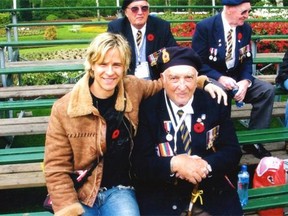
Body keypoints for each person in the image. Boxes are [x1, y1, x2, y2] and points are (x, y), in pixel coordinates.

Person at [44, 32, 227, 216]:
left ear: (124, 67)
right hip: (81, 193)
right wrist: (68, 209)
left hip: (119, 189)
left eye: (116, 65)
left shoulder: (132, 88)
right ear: (91, 65)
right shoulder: (64, 108)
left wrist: (203, 82)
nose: (110, 72)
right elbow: (56, 167)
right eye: (103, 64)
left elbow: (165, 82)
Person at [132, 46, 243, 216]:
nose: (182, 86)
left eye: (189, 78)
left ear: (197, 78)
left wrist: (205, 165)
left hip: (209, 190)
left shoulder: (213, 103)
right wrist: (174, 164)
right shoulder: (148, 109)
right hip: (162, 194)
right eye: (174, 78)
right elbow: (140, 163)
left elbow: (232, 151)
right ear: (162, 79)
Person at [192, 0, 275, 159]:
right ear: (229, 9)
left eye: (248, 11)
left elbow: (246, 60)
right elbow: (198, 62)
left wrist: (245, 81)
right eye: (243, 12)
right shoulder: (205, 27)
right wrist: (220, 78)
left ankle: (255, 140)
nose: (247, 16)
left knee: (267, 90)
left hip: (237, 77)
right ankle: (219, 142)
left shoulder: (245, 28)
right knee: (220, 91)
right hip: (213, 76)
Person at [107, 0, 178, 80]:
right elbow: (110, 56)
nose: (140, 12)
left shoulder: (161, 26)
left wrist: (151, 58)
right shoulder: (116, 28)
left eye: (144, 8)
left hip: (155, 80)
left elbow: (173, 51)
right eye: (135, 9)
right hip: (126, 81)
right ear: (126, 12)